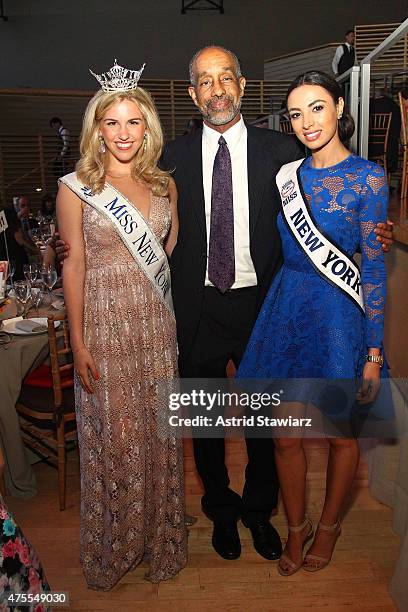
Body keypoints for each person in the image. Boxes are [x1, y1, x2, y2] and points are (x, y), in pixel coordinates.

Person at [56, 47, 393, 564]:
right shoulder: (166, 161)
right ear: (192, 95)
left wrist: (376, 234)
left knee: (267, 425)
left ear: (241, 86)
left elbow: (335, 204)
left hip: (268, 307)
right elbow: (139, 222)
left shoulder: (285, 152)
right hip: (197, 308)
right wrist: (70, 243)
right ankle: (221, 509)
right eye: (205, 82)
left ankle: (261, 510)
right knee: (206, 424)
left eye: (226, 78)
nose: (217, 89)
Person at [237, 71, 389, 576]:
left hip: (339, 318)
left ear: (340, 106)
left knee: (341, 436)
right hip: (287, 309)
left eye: (317, 108)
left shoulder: (369, 177)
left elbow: (371, 268)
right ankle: (296, 527)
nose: (307, 122)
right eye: (296, 114)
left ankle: (329, 526)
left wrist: (373, 354)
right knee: (284, 436)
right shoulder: (287, 175)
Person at [56, 60, 187, 590]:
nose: (124, 133)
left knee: (157, 434)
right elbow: (74, 265)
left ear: (147, 128)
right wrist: (79, 342)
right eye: (113, 122)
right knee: (114, 438)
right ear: (98, 129)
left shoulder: (164, 187)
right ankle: (116, 544)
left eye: (133, 122)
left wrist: (141, 285)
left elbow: (169, 246)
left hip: (156, 329)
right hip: (104, 328)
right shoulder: (76, 188)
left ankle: (159, 538)